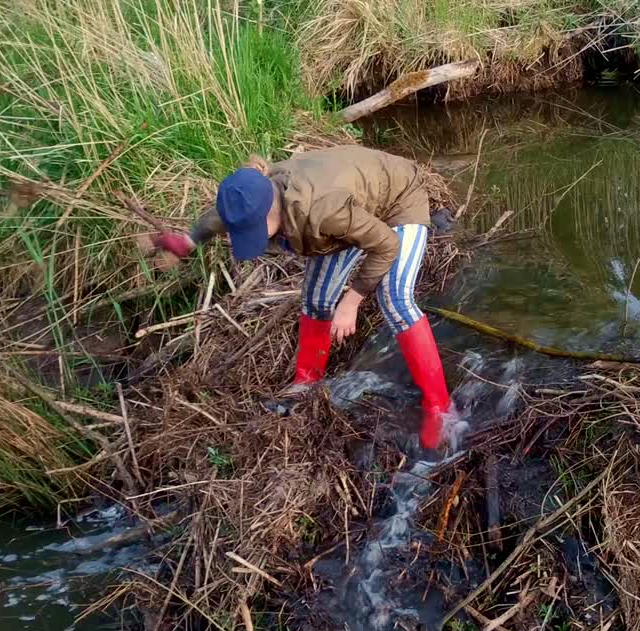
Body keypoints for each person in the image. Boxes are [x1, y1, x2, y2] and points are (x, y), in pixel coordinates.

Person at [151, 145, 452, 450]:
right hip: (353, 205)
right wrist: (188, 241)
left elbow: (385, 245)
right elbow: (223, 217)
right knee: (317, 299)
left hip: (397, 200)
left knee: (395, 300)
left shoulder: (320, 210)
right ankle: (307, 382)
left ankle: (440, 408)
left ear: (273, 212)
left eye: (254, 231)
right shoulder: (252, 195)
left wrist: (351, 303)